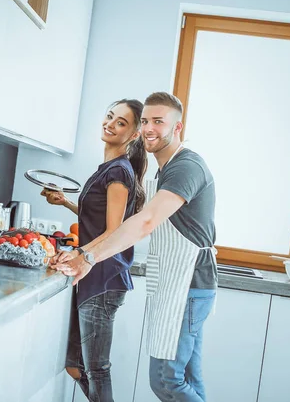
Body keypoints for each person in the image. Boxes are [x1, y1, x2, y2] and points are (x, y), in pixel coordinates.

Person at [56, 92, 218, 402]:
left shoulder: (185, 167)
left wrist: (88, 255)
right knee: (187, 380)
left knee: (167, 381)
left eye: (159, 121)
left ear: (178, 127)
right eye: (145, 121)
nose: (149, 128)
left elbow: (144, 223)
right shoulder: (164, 169)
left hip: (188, 284)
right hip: (176, 282)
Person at [41, 98, 147, 402]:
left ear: (134, 134)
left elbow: (113, 232)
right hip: (94, 277)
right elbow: (100, 219)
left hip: (104, 279)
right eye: (110, 117)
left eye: (121, 123)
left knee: (96, 369)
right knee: (75, 366)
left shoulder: (119, 173)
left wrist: (79, 254)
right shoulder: (110, 169)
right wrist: (66, 203)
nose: (110, 124)